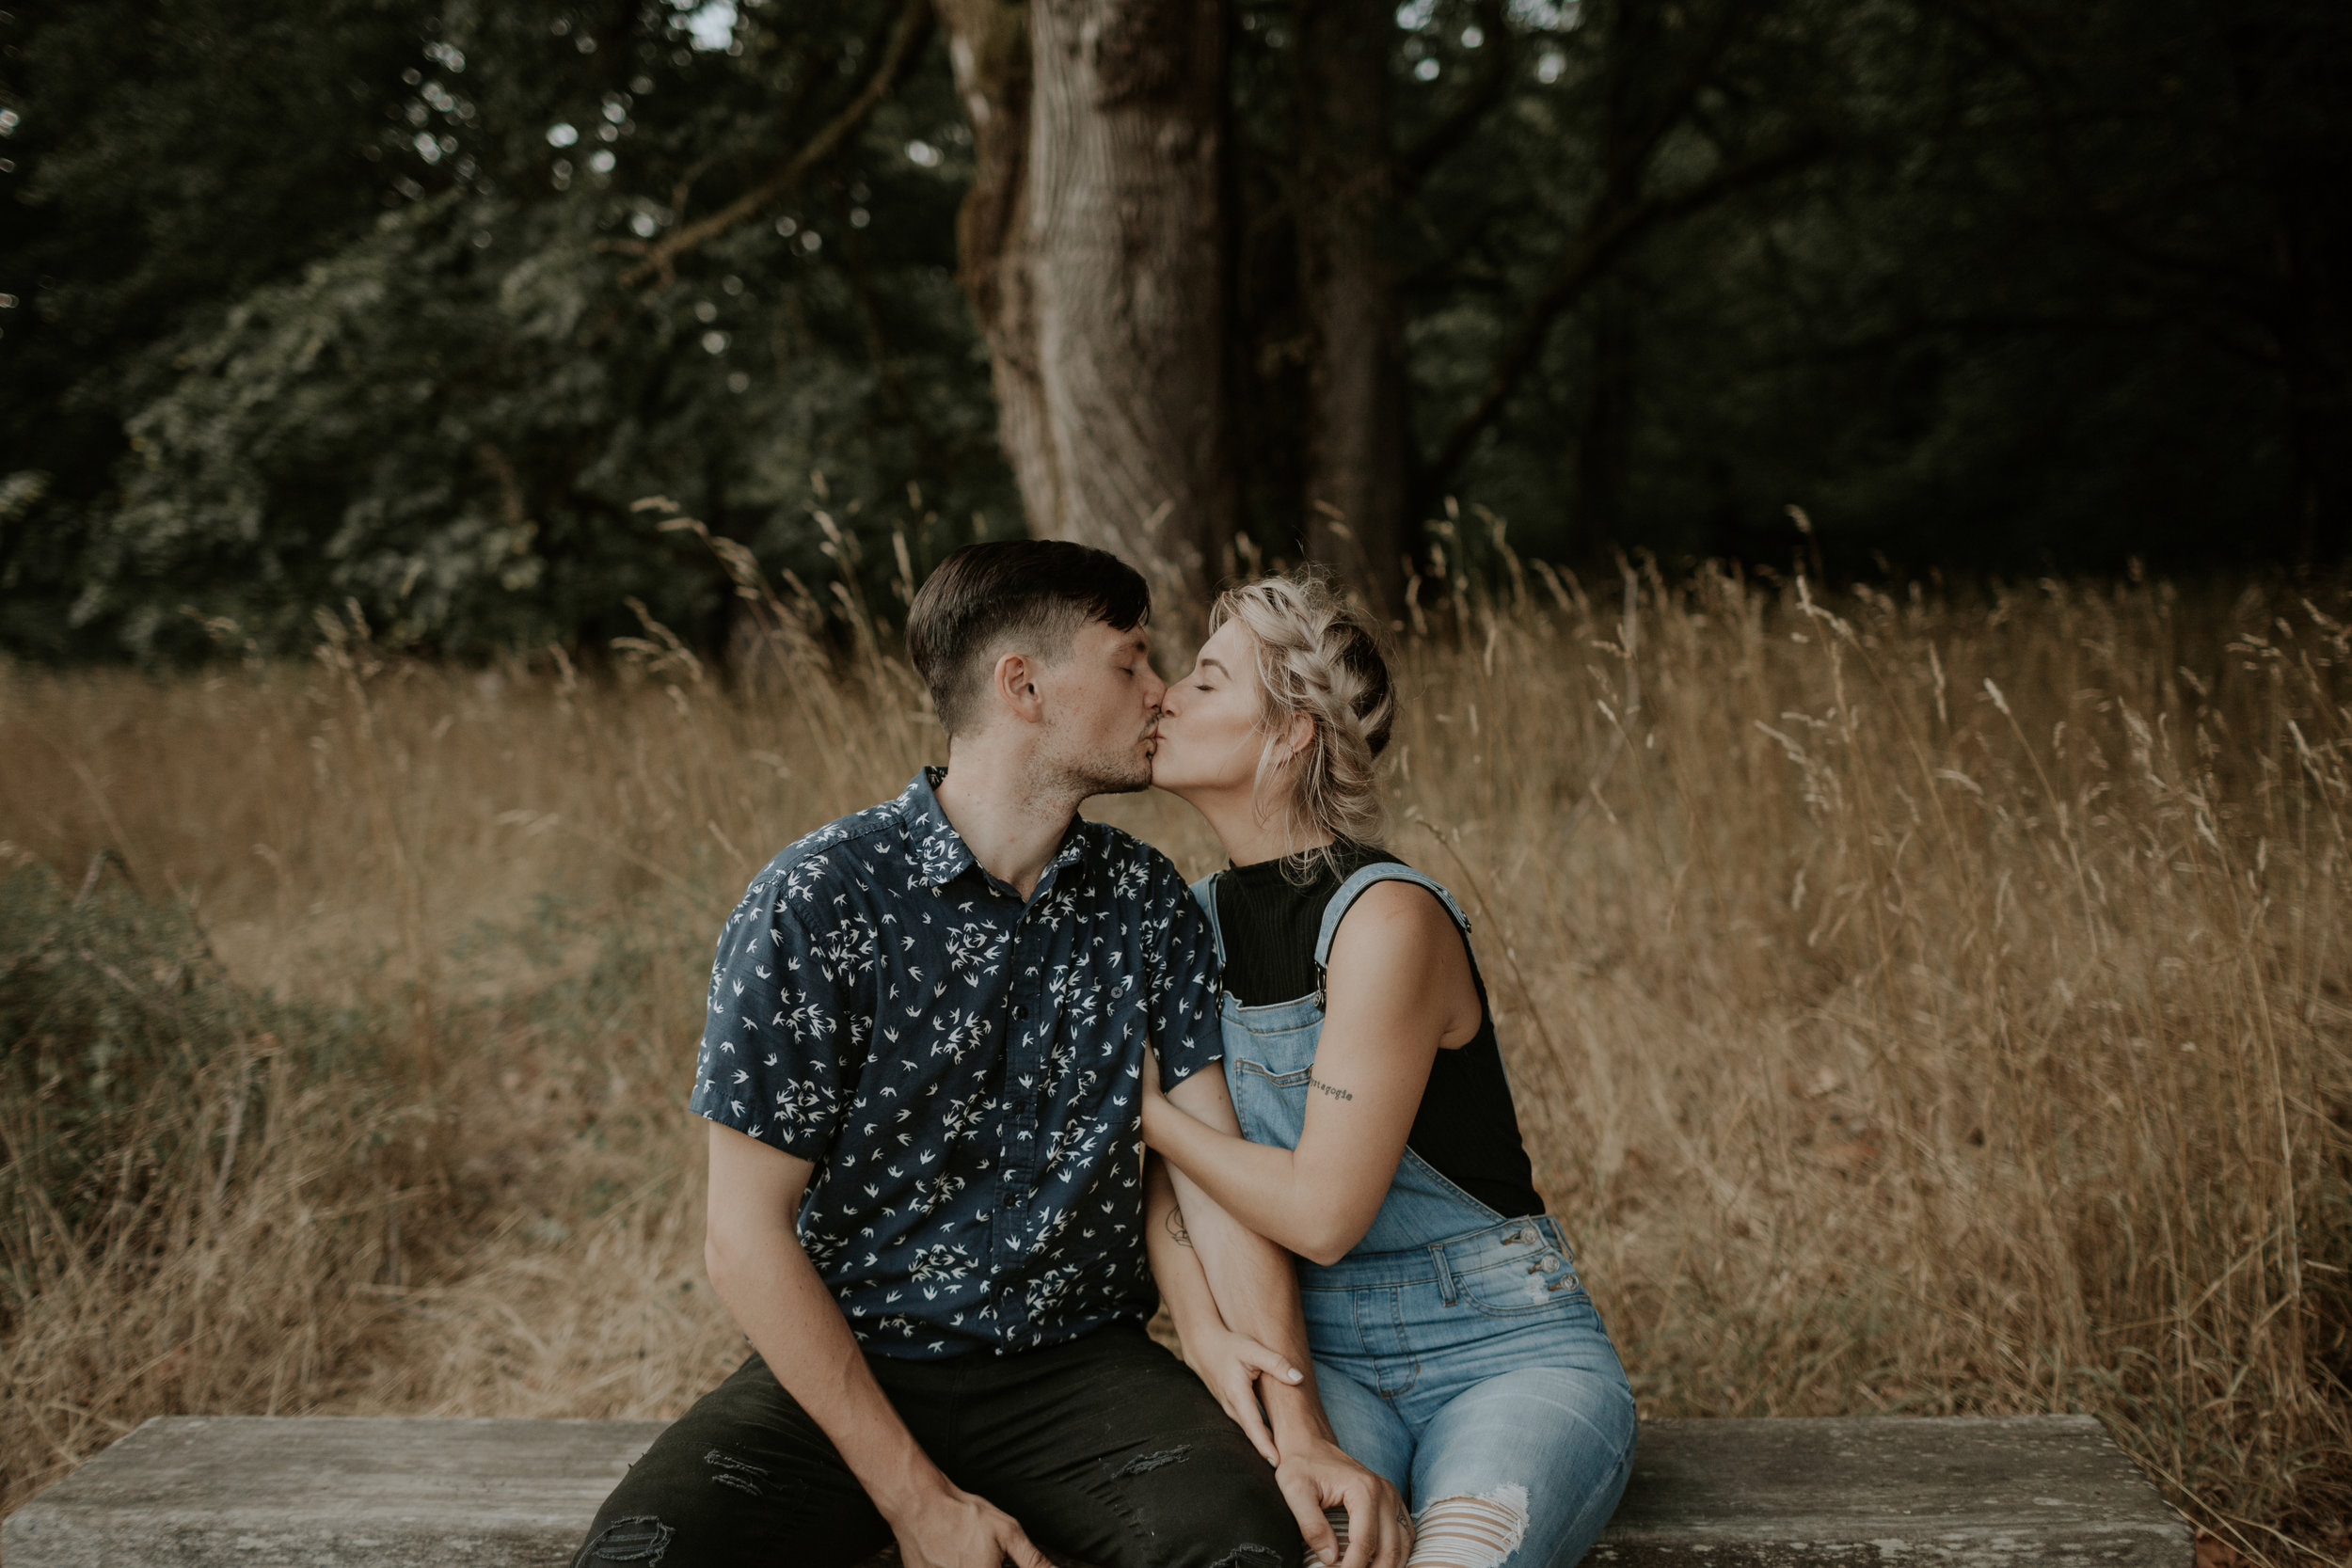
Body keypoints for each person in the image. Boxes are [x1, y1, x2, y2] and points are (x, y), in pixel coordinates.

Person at [572, 541, 1413, 1568]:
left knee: (1247, 1551)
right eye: (1131, 661)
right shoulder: (817, 898)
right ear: (1023, 685)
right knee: (641, 1554)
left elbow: (1210, 1181)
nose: (1159, 693)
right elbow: (741, 1235)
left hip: (1080, 1372)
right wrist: (918, 1500)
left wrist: (1302, 1435)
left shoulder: (1146, 902)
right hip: (856, 1360)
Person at [1139, 572, 1636, 1568]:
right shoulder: (1181, 920)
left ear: (1288, 734)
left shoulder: (1385, 918)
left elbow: (1323, 1210)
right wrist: (1203, 1329)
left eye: (1205, 679)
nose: (1163, 696)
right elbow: (1180, 1195)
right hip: (1307, 1360)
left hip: (1496, 1347)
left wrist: (1142, 1112)